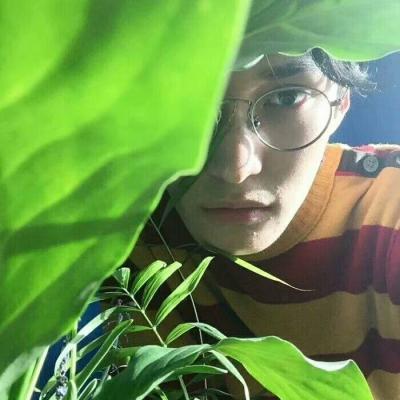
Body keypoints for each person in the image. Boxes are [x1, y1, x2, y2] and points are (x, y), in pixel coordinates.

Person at [128, 48, 400, 399]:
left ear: (340, 101)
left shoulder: (389, 214)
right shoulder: (135, 244)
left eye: (286, 98)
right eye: (189, 99)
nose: (235, 168)